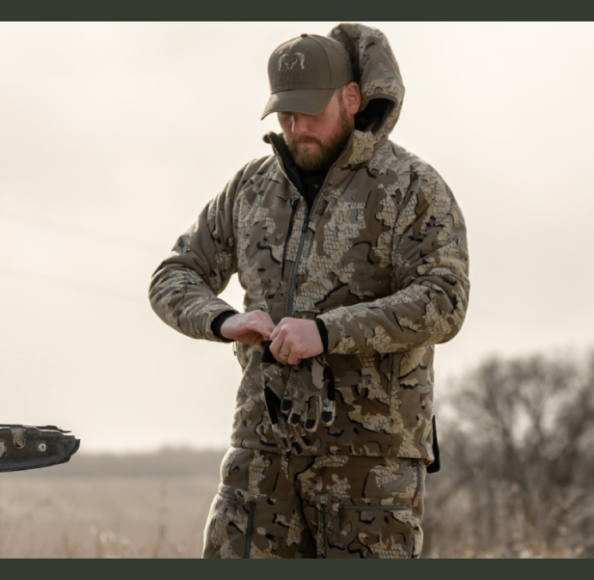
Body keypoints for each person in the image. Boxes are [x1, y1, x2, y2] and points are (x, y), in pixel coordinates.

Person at [149, 23, 469, 559]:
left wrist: (326, 332)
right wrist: (224, 321)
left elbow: (444, 299)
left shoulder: (413, 186)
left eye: (309, 112)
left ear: (351, 98)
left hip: (371, 468)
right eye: (284, 113)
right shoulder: (250, 188)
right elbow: (174, 274)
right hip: (260, 458)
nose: (295, 128)